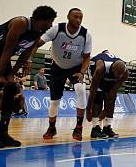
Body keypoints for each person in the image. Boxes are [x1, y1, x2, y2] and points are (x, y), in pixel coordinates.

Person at [0, 6, 56, 148]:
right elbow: (8, 49)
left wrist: (11, 75)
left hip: (1, 55)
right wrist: (0, 75)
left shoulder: (39, 32)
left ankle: (2, 133)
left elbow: (25, 54)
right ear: (41, 20)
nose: (51, 25)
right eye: (50, 21)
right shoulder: (20, 23)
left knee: (12, 88)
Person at [34, 8, 93, 141]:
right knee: (54, 101)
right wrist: (28, 59)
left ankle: (78, 128)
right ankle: (52, 127)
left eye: (80, 18)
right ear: (68, 17)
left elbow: (87, 57)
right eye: (75, 17)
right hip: (58, 67)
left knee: (81, 90)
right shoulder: (56, 29)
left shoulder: (86, 35)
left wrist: (82, 72)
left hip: (76, 68)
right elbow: (37, 43)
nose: (78, 20)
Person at [86, 50, 129, 139]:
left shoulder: (125, 74)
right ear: (112, 70)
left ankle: (107, 127)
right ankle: (95, 128)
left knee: (111, 98)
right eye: (115, 75)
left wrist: (105, 111)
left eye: (118, 77)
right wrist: (88, 109)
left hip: (109, 73)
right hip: (94, 70)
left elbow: (113, 93)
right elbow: (93, 91)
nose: (117, 78)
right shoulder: (100, 68)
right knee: (98, 96)